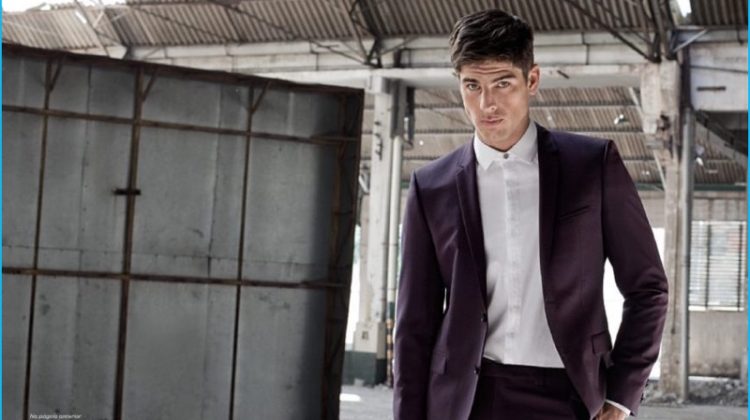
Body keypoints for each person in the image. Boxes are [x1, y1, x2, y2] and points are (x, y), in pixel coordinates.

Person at [392, 9, 668, 420]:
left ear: (532, 80)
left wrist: (621, 398)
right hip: (466, 401)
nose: (487, 103)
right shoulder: (431, 187)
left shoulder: (591, 166)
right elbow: (414, 323)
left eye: (503, 83)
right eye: (472, 85)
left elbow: (648, 289)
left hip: (570, 396)